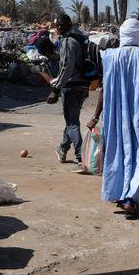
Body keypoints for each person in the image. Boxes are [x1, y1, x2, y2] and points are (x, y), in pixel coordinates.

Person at [90, 19, 139, 216]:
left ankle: (121, 194)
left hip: (117, 116)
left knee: (118, 150)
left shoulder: (109, 56)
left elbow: (105, 88)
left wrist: (97, 115)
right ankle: (131, 197)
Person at [48, 14, 90, 164]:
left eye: (61, 25)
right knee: (72, 120)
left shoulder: (68, 40)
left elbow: (66, 66)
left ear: (68, 24)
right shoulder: (81, 38)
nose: (58, 28)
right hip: (84, 85)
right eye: (57, 25)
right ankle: (63, 149)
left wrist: (56, 89)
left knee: (72, 123)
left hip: (71, 86)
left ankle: (81, 156)